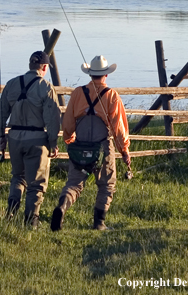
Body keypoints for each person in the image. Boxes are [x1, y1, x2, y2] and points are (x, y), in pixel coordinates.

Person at [51, 55, 131, 232]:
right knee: (107, 184)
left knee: (74, 183)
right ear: (106, 75)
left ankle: (62, 207)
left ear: (90, 74)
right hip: (102, 147)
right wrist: (124, 150)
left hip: (80, 145)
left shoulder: (77, 93)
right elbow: (118, 127)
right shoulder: (112, 96)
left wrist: (69, 140)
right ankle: (99, 223)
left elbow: (68, 122)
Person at [0, 51, 61, 228]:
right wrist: (53, 142)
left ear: (30, 65)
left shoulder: (12, 84)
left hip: (14, 137)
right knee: (36, 183)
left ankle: (11, 213)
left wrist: (1, 135)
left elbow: (0, 114)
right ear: (45, 67)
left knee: (18, 177)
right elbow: (52, 119)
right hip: (37, 139)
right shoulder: (45, 87)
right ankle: (31, 221)